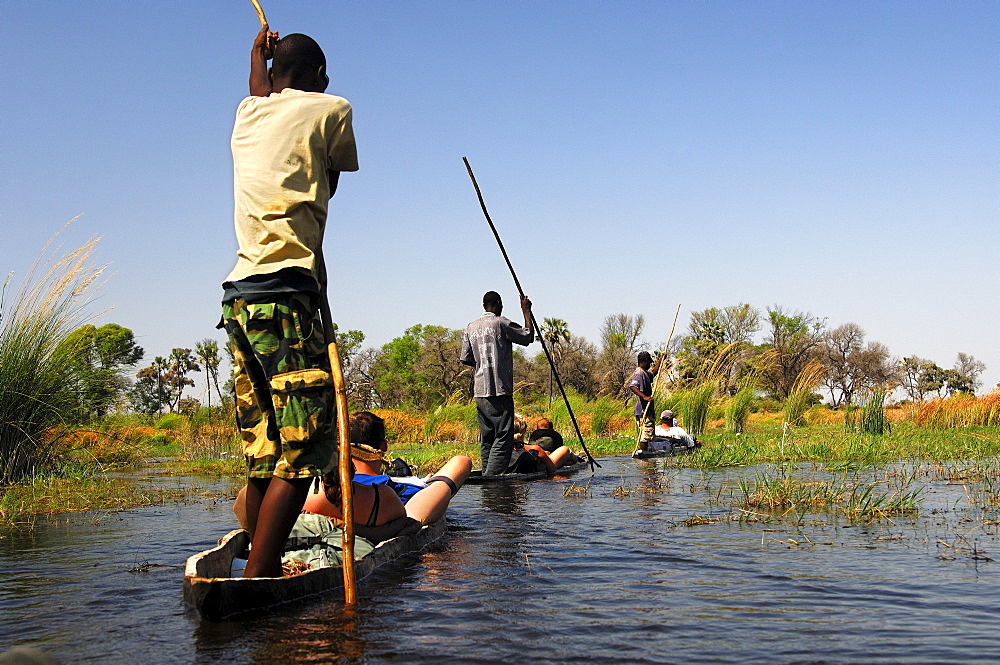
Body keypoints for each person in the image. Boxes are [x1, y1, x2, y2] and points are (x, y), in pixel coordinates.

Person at [219, 25, 359, 578]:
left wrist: (257, 56)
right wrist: (265, 60)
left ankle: (260, 568)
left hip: (240, 300)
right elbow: (330, 179)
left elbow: (262, 95)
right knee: (302, 454)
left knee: (263, 450)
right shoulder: (334, 107)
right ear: (319, 74)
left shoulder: (245, 115)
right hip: (288, 294)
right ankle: (259, 580)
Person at [460, 291, 534, 475]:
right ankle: (492, 478)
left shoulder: (470, 327)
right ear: (499, 303)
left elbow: (465, 358)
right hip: (499, 391)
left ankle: (486, 473)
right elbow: (527, 337)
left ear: (484, 305)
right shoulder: (501, 323)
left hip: (480, 392)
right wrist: (526, 311)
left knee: (487, 438)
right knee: (503, 436)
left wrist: (482, 363)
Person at [628, 351, 663, 446]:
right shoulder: (639, 373)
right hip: (644, 410)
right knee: (645, 436)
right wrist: (644, 397)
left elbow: (653, 373)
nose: (650, 365)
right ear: (645, 361)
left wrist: (661, 360)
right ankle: (644, 457)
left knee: (646, 435)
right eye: (649, 363)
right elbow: (633, 386)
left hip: (646, 410)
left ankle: (645, 454)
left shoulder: (645, 373)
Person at [634, 409, 699, 456]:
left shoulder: (654, 429)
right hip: (669, 448)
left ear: (661, 419)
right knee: (692, 438)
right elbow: (691, 445)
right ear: (672, 419)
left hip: (653, 448)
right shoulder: (678, 430)